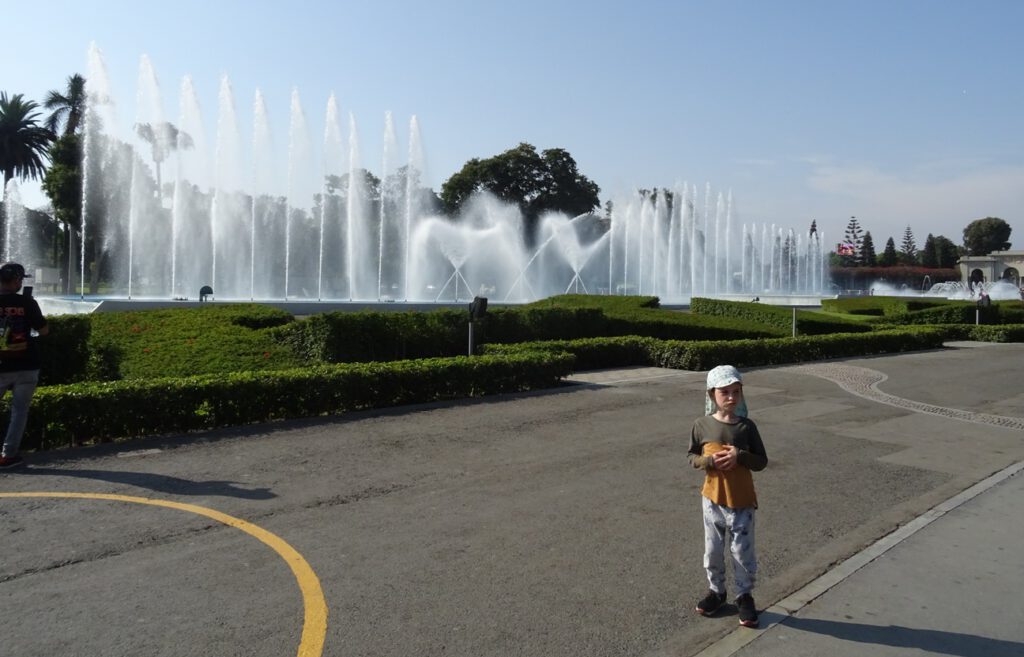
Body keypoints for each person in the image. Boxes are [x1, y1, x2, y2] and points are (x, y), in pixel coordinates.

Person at [687, 365, 768, 628]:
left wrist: (740, 456)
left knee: (742, 553)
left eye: (736, 391)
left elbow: (761, 461)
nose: (731, 397)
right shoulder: (701, 425)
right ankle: (717, 592)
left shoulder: (747, 427)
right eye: (725, 392)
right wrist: (709, 461)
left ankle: (744, 596)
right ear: (712, 395)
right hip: (712, 501)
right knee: (712, 551)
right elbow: (692, 457)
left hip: (742, 502)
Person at [0, 263, 49, 469]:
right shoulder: (27, 303)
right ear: (16, 281)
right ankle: (8, 455)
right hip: (27, 365)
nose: (21, 283)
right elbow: (44, 330)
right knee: (19, 412)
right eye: (20, 279)